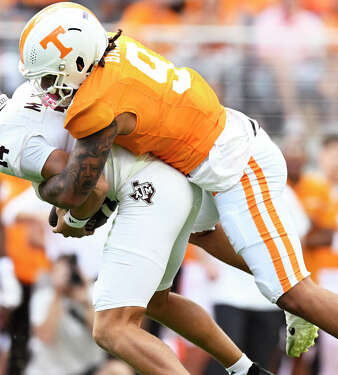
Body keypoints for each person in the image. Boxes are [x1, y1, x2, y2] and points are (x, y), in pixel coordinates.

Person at [18, 1, 338, 370]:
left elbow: (80, 190)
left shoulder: (98, 102)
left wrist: (59, 205)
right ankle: (263, 327)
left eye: (48, 79)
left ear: (79, 62)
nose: (44, 91)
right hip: (200, 165)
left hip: (235, 166)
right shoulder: (107, 46)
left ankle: (297, 292)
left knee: (294, 293)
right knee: (196, 241)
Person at [0, 83, 274, 375]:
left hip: (145, 189)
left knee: (111, 329)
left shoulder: (8, 138)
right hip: (168, 171)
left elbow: (93, 183)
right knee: (158, 301)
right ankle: (248, 366)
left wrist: (77, 219)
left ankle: (285, 285)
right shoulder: (28, 93)